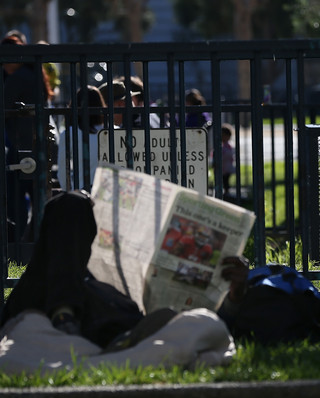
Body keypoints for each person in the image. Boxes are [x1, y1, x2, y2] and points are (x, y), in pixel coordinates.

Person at [0, 190, 251, 348]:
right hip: (50, 300)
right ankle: (65, 316)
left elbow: (217, 324)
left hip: (116, 315)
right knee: (71, 202)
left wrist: (235, 296)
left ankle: (93, 332)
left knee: (143, 317)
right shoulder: (64, 262)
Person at [2, 34, 54, 241]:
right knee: (39, 198)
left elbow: (3, 107)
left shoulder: (17, 78)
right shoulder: (33, 74)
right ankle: (42, 243)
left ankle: (18, 248)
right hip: (39, 143)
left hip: (21, 146)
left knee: (16, 200)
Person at [58, 85, 106, 189]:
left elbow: (62, 172)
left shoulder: (69, 134)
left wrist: (70, 193)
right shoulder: (112, 131)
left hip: (80, 192)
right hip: (108, 194)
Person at [212, 123, 235, 197]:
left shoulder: (228, 146)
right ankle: (219, 191)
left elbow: (228, 155)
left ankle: (226, 192)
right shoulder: (221, 146)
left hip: (226, 167)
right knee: (219, 180)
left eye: (224, 135)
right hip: (221, 166)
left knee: (225, 180)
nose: (222, 137)